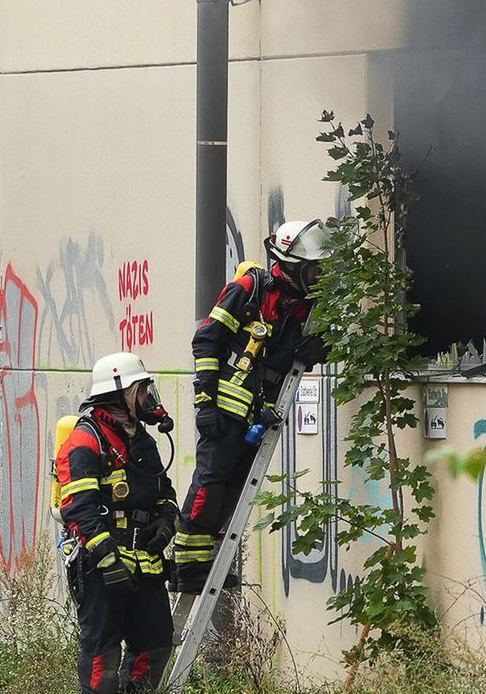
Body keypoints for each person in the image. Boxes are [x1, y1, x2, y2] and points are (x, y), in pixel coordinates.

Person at [172, 219, 331, 594]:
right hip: (226, 410)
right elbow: (207, 341)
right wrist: (204, 402)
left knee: (235, 491)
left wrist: (321, 348)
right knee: (211, 484)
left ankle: (208, 562)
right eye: (313, 268)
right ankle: (188, 565)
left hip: (262, 414)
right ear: (290, 264)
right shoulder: (251, 288)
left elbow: (322, 345)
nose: (318, 275)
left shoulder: (309, 305)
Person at [56, 352, 180, 694]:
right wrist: (108, 561)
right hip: (101, 568)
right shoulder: (86, 440)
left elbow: (165, 492)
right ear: (119, 393)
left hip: (145, 564)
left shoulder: (142, 439)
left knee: (156, 648)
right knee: (103, 659)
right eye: (141, 390)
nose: (147, 399)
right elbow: (79, 510)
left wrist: (167, 522)